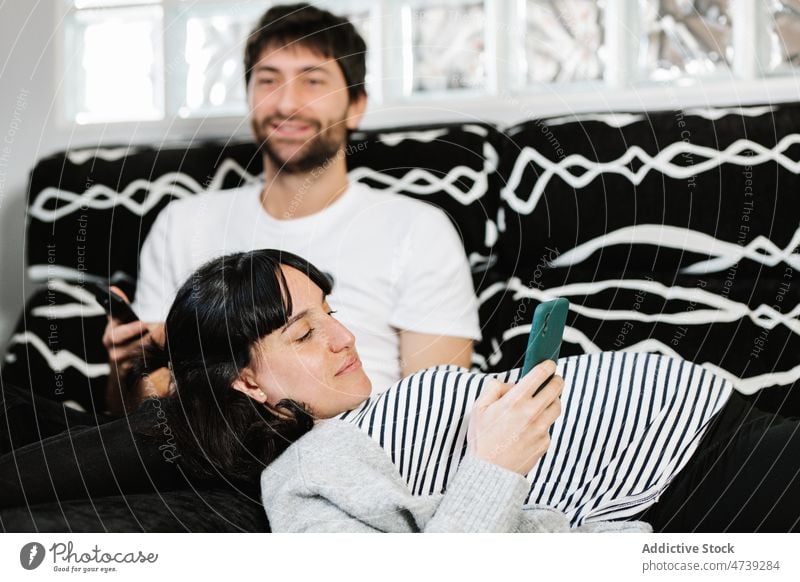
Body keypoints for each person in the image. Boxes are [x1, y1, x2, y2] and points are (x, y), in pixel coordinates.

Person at [121, 249, 799, 532]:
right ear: (246, 382)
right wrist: (493, 465)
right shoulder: (303, 476)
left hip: (721, 420)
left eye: (330, 313)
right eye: (304, 335)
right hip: (701, 476)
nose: (344, 338)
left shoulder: (361, 413)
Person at [102, 3, 481, 413]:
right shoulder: (183, 223)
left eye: (313, 81)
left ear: (356, 105)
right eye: (268, 80)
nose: (287, 103)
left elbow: (438, 408)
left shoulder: (417, 228)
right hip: (206, 461)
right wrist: (127, 368)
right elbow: (136, 414)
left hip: (359, 457)